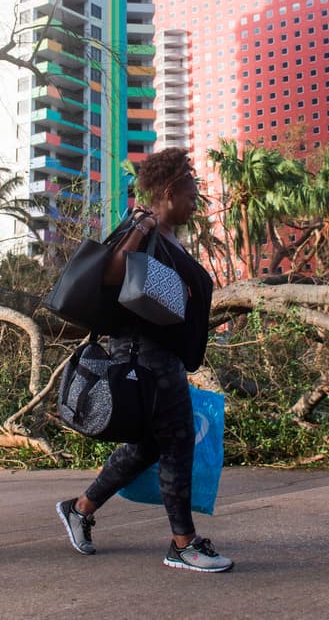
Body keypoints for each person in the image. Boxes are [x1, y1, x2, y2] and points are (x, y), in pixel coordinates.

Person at [54, 147, 233, 572]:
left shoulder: (168, 236)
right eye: (191, 194)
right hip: (144, 356)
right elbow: (114, 274)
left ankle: (80, 508)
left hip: (161, 354)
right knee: (176, 442)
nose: (195, 202)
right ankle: (183, 544)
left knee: (150, 446)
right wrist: (141, 225)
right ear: (169, 192)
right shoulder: (144, 227)